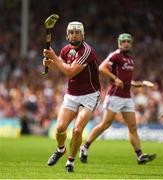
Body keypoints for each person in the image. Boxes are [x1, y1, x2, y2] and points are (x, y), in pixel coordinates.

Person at [79, 33, 156, 165]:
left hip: (127, 97)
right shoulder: (115, 55)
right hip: (114, 95)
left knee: (133, 126)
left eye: (128, 41)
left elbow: (126, 80)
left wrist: (135, 83)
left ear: (131, 43)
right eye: (123, 41)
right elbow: (102, 68)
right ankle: (84, 147)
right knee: (105, 124)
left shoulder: (130, 59)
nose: (126, 43)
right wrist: (114, 78)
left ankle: (139, 155)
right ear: (119, 43)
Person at [43, 21, 100, 172]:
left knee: (77, 130)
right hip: (72, 94)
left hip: (89, 95)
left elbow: (70, 72)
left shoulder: (87, 51)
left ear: (83, 35)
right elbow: (62, 68)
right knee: (60, 128)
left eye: (77, 32)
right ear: (67, 35)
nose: (74, 35)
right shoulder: (65, 50)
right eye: (71, 32)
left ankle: (70, 162)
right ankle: (61, 150)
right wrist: (50, 63)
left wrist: (53, 56)